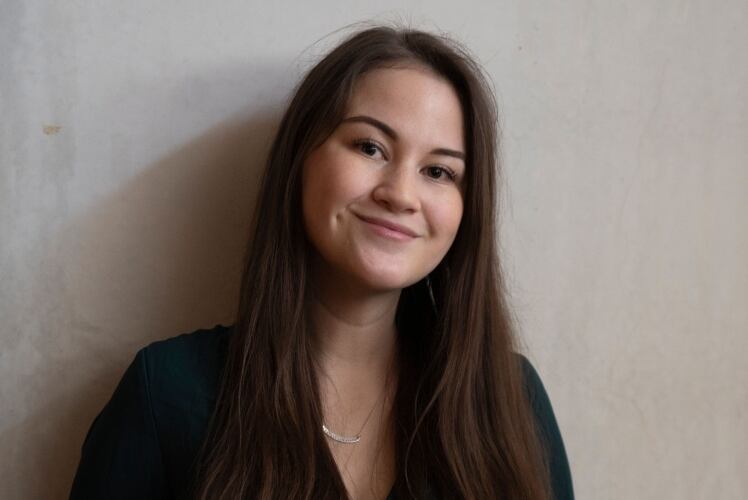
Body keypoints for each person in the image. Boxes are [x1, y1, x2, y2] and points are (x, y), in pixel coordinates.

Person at [69, 25, 574, 500]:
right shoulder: (168, 393)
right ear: (300, 160)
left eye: (439, 171)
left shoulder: (512, 402)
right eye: (370, 146)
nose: (401, 194)